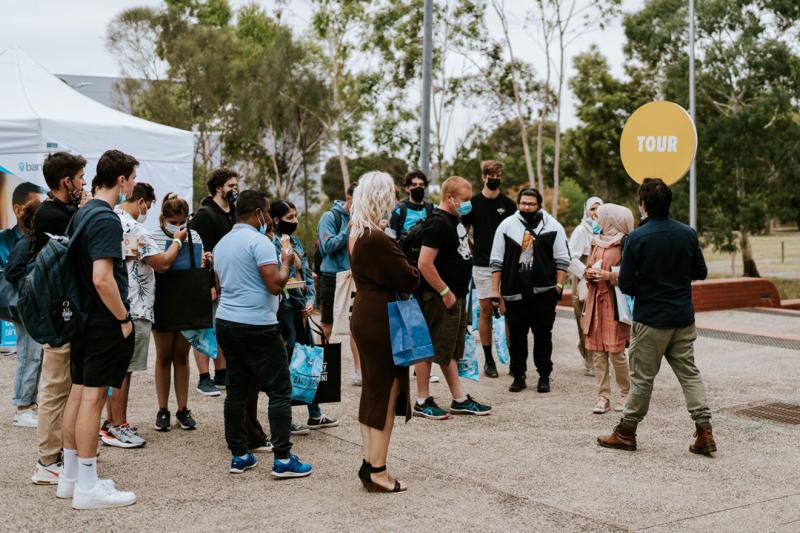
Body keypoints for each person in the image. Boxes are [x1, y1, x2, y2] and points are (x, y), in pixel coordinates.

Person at [598, 178, 716, 455]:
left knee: (642, 379)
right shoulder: (687, 233)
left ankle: (626, 432)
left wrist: (648, 281)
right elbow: (700, 272)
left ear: (643, 205)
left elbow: (625, 284)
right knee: (689, 374)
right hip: (682, 318)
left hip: (651, 319)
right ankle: (705, 430)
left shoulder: (637, 238)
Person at [57, 149, 138, 509]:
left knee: (77, 394)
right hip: (103, 319)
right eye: (132, 180)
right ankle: (87, 485)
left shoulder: (82, 213)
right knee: (93, 398)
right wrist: (123, 318)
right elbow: (103, 278)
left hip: (81, 317)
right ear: (121, 180)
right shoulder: (105, 218)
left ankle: (73, 476)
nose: (132, 187)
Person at [214, 190, 312, 478]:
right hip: (257, 324)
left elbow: (222, 285)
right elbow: (274, 285)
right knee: (280, 389)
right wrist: (286, 261)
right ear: (258, 212)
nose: (269, 218)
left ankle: (240, 455)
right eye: (267, 212)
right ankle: (283, 459)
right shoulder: (259, 242)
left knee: (237, 389)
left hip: (227, 321)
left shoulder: (222, 243)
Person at [100, 183, 187, 448]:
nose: (147, 210)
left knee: (115, 369)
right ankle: (119, 425)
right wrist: (177, 241)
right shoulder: (136, 230)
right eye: (148, 205)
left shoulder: (111, 221)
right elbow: (162, 263)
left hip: (116, 304)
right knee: (124, 370)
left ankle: (111, 420)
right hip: (134, 307)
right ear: (140, 201)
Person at [349, 171, 420, 492]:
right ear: (381, 196)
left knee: (373, 392)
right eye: (390, 193)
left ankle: (369, 462)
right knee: (386, 393)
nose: (394, 199)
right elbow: (408, 278)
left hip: (368, 313)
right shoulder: (376, 238)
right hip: (382, 318)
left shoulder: (357, 233)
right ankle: (378, 469)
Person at [30, 151, 89, 486]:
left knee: (69, 384)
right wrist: (83, 210)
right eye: (80, 178)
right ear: (67, 181)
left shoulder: (64, 210)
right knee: (55, 385)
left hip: (69, 308)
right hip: (56, 311)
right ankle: (47, 459)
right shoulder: (51, 214)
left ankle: (65, 454)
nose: (84, 183)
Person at [413, 176, 491, 419]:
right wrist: (444, 291)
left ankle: (459, 399)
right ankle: (422, 399)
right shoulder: (438, 223)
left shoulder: (454, 220)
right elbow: (424, 263)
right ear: (450, 198)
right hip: (439, 297)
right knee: (429, 347)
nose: (468, 204)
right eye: (464, 200)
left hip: (456, 295)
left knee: (448, 349)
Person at [490, 188, 570, 394]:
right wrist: (495, 291)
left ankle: (544, 376)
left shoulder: (553, 226)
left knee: (543, 336)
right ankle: (519, 375)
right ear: (518, 204)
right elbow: (496, 262)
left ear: (539, 205)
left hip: (544, 292)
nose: (527, 207)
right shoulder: (506, 226)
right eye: (523, 203)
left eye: (531, 204)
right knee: (517, 336)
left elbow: (562, 259)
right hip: (514, 291)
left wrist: (559, 287)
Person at [270, 200, 338, 435]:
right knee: (287, 361)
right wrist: (300, 304)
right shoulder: (271, 243)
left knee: (309, 358)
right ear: (276, 220)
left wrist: (310, 301)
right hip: (285, 310)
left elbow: (306, 274)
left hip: (301, 310)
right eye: (289, 217)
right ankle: (285, 418)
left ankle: (315, 414)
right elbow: (283, 278)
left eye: (296, 216)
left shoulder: (296, 242)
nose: (295, 221)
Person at [461, 160, 517, 378]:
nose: (495, 178)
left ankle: (514, 359)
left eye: (499, 175)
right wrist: (475, 252)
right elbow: (463, 231)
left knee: (510, 312)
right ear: (484, 177)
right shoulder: (473, 203)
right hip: (482, 265)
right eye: (491, 175)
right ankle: (489, 360)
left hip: (506, 266)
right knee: (485, 310)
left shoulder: (509, 205)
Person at [150, 193, 201, 432]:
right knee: (163, 356)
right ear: (164, 218)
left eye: (183, 222)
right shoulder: (154, 236)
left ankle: (183, 408)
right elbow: (160, 265)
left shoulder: (195, 235)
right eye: (174, 222)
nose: (179, 227)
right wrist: (177, 241)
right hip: (162, 300)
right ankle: (162, 409)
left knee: (182, 355)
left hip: (187, 300)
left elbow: (197, 265)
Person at [189, 168, 238, 395]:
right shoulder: (205, 215)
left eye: (236, 185)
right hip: (208, 283)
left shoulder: (234, 213)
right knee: (204, 328)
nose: (234, 190)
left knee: (222, 329)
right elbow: (198, 251)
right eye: (230, 185)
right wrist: (208, 284)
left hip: (228, 282)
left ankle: (222, 373)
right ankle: (203, 377)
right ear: (218, 187)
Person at [581, 204, 633, 414]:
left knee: (616, 353)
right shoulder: (596, 241)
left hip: (614, 303)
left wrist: (609, 276)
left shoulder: (625, 242)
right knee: (598, 353)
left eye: (600, 216)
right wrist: (589, 274)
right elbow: (588, 267)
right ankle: (603, 396)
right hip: (595, 302)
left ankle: (625, 392)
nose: (597, 219)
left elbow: (631, 274)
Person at [317, 183, 362, 386]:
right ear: (349, 197)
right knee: (327, 324)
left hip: (354, 276)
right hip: (332, 276)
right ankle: (319, 370)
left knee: (356, 326)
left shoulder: (362, 216)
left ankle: (358, 372)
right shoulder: (330, 217)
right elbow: (327, 247)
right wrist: (348, 229)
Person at [5, 197, 43, 428]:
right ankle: (22, 407)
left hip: (30, 307)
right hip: (26, 307)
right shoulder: (28, 241)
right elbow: (13, 272)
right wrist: (32, 285)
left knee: (34, 356)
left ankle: (28, 404)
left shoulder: (32, 240)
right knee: (30, 355)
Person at [568, 196, 603, 376]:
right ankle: (590, 360)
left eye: (599, 208)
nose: (596, 212)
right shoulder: (581, 231)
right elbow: (570, 257)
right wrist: (585, 272)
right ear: (586, 211)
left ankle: (597, 358)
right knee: (585, 319)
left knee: (599, 319)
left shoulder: (605, 229)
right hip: (583, 278)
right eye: (592, 208)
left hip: (600, 277)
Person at [0, 181, 43, 267]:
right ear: (18, 210)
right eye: (36, 207)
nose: (43, 213)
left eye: (44, 207)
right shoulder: (2, 244)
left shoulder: (50, 241)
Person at [387, 170, 434, 240]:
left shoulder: (433, 209)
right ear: (407, 188)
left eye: (421, 185)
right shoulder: (398, 211)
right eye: (414, 185)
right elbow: (389, 240)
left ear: (425, 188)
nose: (418, 187)